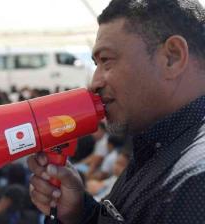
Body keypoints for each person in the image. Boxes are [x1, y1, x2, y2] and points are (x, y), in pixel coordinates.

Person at [28, 1, 205, 223]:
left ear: (172, 57)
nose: (94, 83)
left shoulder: (195, 181)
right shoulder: (161, 147)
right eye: (96, 64)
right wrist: (79, 212)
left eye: (106, 61)